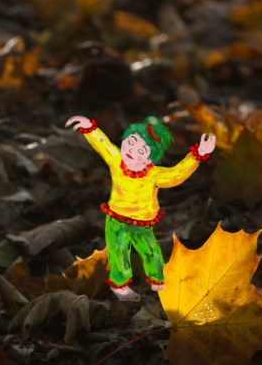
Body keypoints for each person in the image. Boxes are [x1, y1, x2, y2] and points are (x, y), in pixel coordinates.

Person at [65, 114, 216, 301]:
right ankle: (120, 285)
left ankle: (158, 280)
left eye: (142, 150)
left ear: (149, 160)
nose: (132, 150)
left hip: (142, 222)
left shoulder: (154, 175)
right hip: (116, 218)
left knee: (151, 250)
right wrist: (90, 128)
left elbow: (177, 174)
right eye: (131, 141)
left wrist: (197, 155)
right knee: (118, 251)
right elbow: (103, 145)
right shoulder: (116, 161)